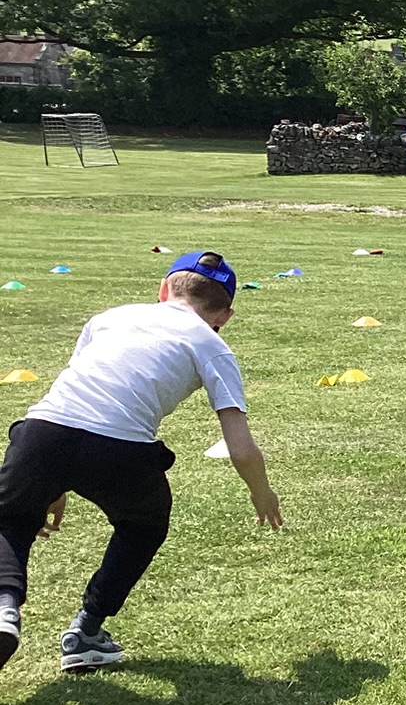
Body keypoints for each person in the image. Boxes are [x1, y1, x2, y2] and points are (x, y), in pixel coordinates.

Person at [0, 251, 283, 674]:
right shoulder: (211, 343)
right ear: (224, 315)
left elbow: (79, 400)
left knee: (9, 520)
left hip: (42, 433)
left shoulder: (109, 317)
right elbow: (239, 446)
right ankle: (87, 629)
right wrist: (263, 494)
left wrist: (51, 484)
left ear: (163, 289)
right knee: (143, 525)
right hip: (121, 451)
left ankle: (4, 607)